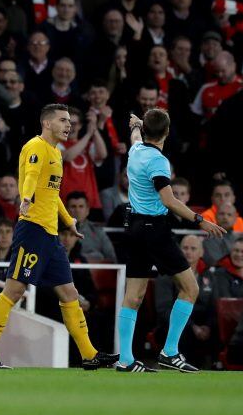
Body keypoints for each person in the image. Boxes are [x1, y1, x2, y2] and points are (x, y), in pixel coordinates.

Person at [0, 104, 117, 369]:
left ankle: (89, 354)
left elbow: (53, 194)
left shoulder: (56, 152)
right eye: (63, 120)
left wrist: (68, 220)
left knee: (69, 292)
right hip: (33, 230)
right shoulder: (35, 147)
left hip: (51, 235)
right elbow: (29, 177)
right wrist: (26, 198)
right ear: (47, 123)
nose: (69, 125)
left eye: (70, 121)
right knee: (14, 290)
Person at [116, 109, 225, 373]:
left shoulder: (136, 150)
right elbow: (169, 200)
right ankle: (170, 351)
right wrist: (201, 220)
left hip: (134, 228)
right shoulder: (159, 161)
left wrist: (136, 125)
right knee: (190, 289)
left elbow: (134, 137)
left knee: (134, 296)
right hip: (155, 230)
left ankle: (126, 360)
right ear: (166, 132)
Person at [153, 235, 215, 368]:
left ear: (201, 252)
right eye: (185, 248)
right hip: (172, 325)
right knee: (186, 333)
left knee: (218, 330)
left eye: (193, 248)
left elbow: (213, 306)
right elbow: (163, 309)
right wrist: (193, 327)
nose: (188, 252)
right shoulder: (166, 274)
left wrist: (208, 326)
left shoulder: (209, 275)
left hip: (201, 325)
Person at [65, 192, 117, 262]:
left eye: (81, 206)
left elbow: (112, 258)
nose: (77, 210)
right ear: (66, 210)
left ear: (87, 210)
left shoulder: (98, 231)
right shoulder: (57, 230)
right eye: (73, 206)